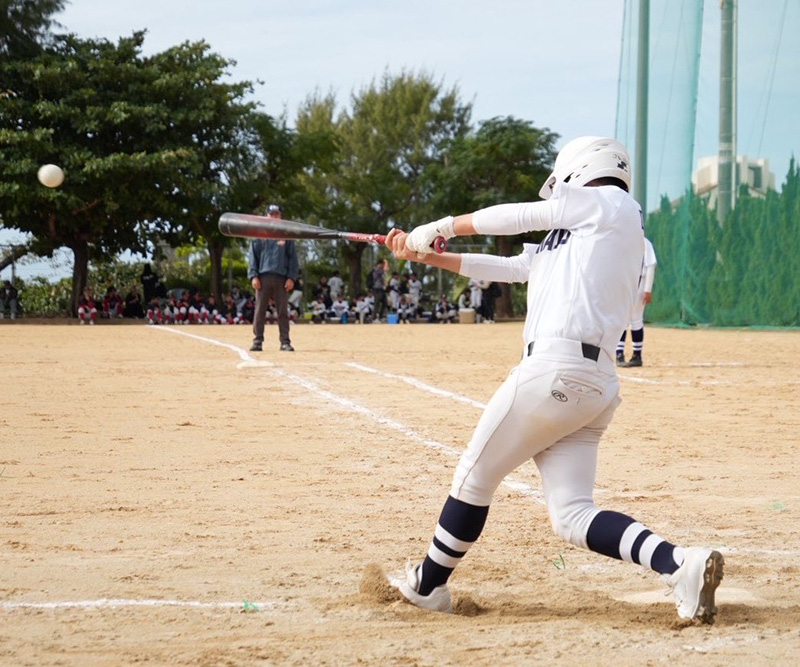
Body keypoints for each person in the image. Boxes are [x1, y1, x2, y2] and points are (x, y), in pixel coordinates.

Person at [382, 136, 723, 624]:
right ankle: (680, 565)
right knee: (572, 515)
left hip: (553, 372)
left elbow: (519, 216)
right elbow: (511, 267)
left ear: (580, 169)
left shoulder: (612, 206)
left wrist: (442, 226)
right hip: (591, 386)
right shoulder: (584, 232)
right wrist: (425, 254)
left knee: (474, 477)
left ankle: (428, 586)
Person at [248, 203, 301, 352]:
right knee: (259, 311)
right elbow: (253, 257)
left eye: (276, 214)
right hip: (263, 278)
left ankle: (285, 341)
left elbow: (293, 259)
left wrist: (291, 277)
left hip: (281, 278)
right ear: (266, 215)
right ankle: (257, 340)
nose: (274, 216)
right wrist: (254, 275)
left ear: (281, 216)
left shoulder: (286, 235)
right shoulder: (259, 235)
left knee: (283, 311)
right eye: (271, 214)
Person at [617, 237, 657, 367]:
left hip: (639, 283)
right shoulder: (621, 241)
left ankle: (637, 355)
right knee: (622, 318)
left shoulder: (644, 242)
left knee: (635, 319)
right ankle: (619, 354)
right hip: (624, 283)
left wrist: (647, 290)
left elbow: (651, 265)